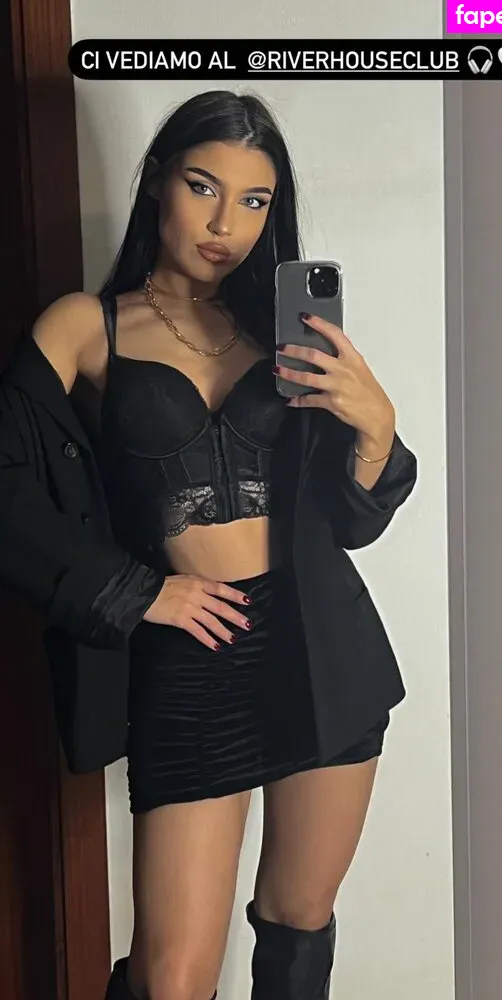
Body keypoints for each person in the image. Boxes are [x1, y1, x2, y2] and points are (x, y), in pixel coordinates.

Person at [0, 90, 417, 1000]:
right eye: (203, 186)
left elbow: (354, 522)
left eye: (254, 200)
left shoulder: (285, 334)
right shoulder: (87, 325)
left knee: (298, 925)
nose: (227, 223)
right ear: (158, 182)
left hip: (321, 646)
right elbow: (9, 488)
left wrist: (377, 429)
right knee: (171, 977)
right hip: (192, 657)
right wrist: (133, 590)